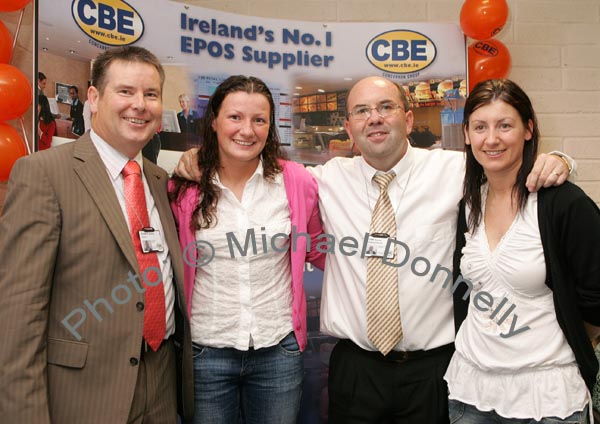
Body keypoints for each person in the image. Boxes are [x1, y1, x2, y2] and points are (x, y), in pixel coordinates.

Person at [175, 75, 572, 423]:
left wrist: (560, 160)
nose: (375, 118)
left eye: (386, 107)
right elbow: (249, 167)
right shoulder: (323, 180)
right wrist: (195, 158)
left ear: (408, 118)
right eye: (362, 111)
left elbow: (504, 157)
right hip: (355, 367)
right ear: (349, 127)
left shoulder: (454, 171)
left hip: (433, 366)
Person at [0, 46, 193, 423]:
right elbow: (18, 321)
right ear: (93, 97)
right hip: (85, 394)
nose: (140, 104)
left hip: (162, 384)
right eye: (125, 91)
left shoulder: (159, 180)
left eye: (150, 94)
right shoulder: (43, 174)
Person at [169, 75, 324, 424]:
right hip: (206, 352)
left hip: (278, 351)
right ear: (215, 122)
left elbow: (319, 249)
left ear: (270, 127)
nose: (247, 130)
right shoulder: (184, 187)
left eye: (259, 120)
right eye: (235, 117)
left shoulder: (295, 181)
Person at [445, 79, 600, 423]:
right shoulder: (469, 204)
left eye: (505, 125)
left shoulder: (563, 203)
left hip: (546, 395)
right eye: (480, 127)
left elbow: (595, 296)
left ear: (528, 130)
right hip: (471, 391)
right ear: (467, 135)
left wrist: (570, 341)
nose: (492, 139)